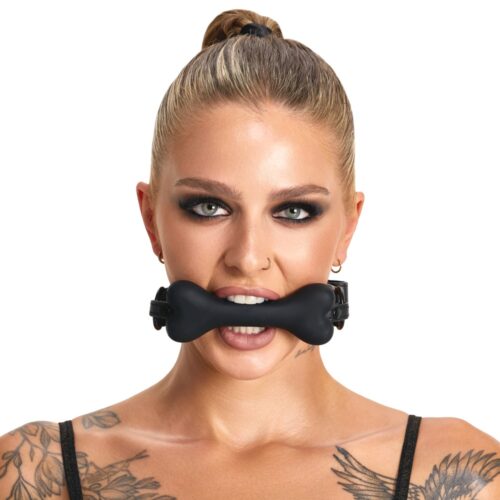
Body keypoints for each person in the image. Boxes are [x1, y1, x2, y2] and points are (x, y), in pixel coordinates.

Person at [1, 8, 499, 500]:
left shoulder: (461, 478)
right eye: (209, 207)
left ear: (347, 227)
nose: (247, 256)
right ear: (152, 219)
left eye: (294, 211)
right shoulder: (38, 474)